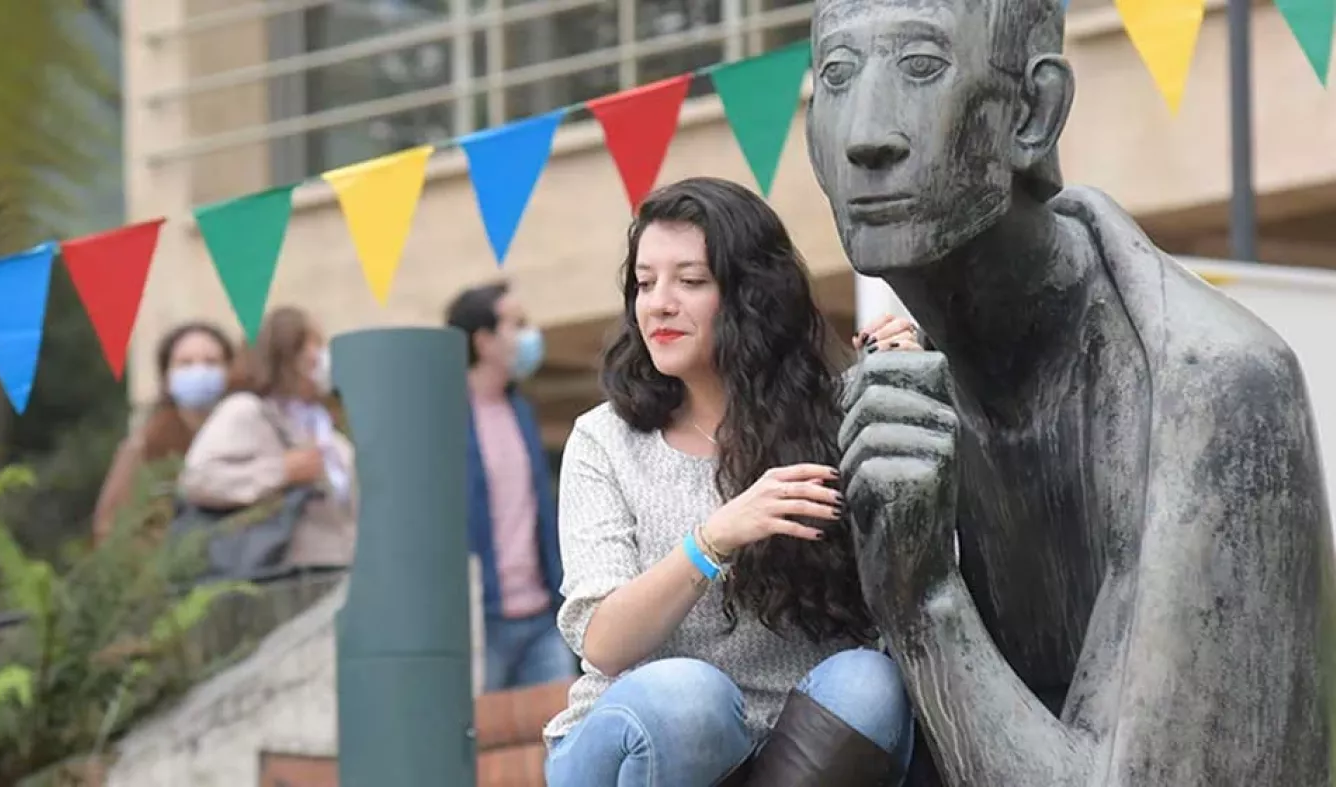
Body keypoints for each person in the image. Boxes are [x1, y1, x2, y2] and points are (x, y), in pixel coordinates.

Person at [807, 0, 1334, 784]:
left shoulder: (1215, 391)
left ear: (1035, 111)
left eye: (921, 68)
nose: (866, 135)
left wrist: (924, 602)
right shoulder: (900, 397)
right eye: (839, 77)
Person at [543, 177, 921, 787]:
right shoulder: (603, 440)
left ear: (752, 295)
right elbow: (605, 644)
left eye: (690, 281)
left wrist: (908, 393)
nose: (658, 303)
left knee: (871, 684)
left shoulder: (836, 415)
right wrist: (714, 538)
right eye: (644, 282)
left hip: (796, 753)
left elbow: (918, 581)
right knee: (688, 698)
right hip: (644, 742)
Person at [444, 282, 573, 693]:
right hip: (481, 625)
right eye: (516, 325)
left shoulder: (520, 410)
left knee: (562, 742)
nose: (529, 336)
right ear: (483, 341)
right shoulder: (443, 420)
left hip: (542, 617)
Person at [179, 306, 357, 569]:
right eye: (314, 346)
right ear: (287, 354)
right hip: (281, 583)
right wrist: (281, 471)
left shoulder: (327, 432)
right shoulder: (247, 412)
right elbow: (198, 479)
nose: (322, 357)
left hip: (338, 576)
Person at [93, 321, 234, 543]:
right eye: (186, 364)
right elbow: (111, 527)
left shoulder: (248, 436)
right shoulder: (145, 446)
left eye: (211, 362)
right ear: (167, 377)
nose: (199, 372)